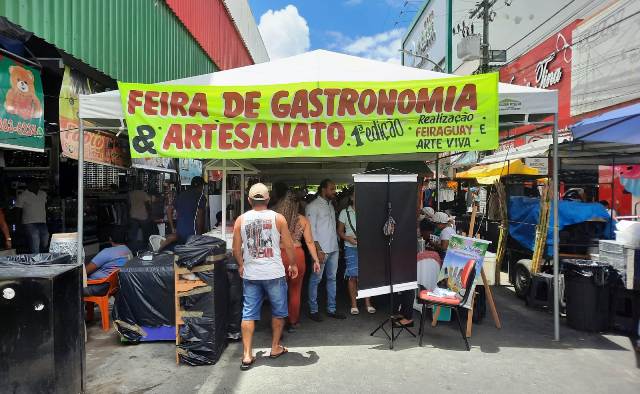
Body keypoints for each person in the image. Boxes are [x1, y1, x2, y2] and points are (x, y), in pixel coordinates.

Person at [232, 183, 298, 371]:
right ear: (269, 200)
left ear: (249, 200)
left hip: (251, 274)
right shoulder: (278, 218)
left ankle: (246, 355)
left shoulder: (241, 220)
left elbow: (237, 249)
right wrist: (293, 264)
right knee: (278, 311)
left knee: (248, 313)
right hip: (274, 273)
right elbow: (289, 245)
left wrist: (241, 265)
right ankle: (275, 347)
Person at [274, 191, 321, 332]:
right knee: (295, 290)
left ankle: (279, 321)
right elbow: (310, 241)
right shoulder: (303, 220)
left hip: (280, 255)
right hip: (298, 255)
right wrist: (316, 259)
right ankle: (293, 321)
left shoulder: (276, 219)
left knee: (278, 290)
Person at [306, 179, 346, 321]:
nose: (334, 191)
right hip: (321, 249)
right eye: (332, 189)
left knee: (332, 279)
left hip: (333, 248)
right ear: (323, 189)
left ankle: (331, 309)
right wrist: (318, 250)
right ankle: (313, 310)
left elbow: (331, 228)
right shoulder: (312, 206)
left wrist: (338, 245)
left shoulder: (330, 205)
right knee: (316, 279)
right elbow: (311, 231)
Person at [337, 189, 375, 315]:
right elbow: (340, 231)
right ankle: (354, 304)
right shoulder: (344, 212)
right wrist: (348, 238)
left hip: (366, 247)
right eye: (356, 196)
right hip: (350, 246)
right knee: (352, 275)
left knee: (366, 275)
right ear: (351, 198)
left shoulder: (367, 211)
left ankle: (368, 303)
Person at [160, 176, 206, 250]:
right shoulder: (201, 196)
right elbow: (199, 216)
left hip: (179, 231)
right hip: (193, 231)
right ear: (201, 186)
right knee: (192, 254)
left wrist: (172, 228)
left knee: (181, 252)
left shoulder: (181, 195)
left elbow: (169, 210)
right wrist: (199, 235)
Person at [84, 227, 132, 296]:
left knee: (71, 288)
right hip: (114, 286)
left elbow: (86, 271)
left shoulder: (107, 252)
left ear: (110, 239)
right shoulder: (128, 251)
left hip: (98, 287)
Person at [15, 179, 48, 253]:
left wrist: (47, 218)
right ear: (28, 185)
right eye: (34, 184)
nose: (36, 185)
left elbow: (45, 206)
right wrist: (18, 224)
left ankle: (40, 254)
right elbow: (18, 210)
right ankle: (35, 259)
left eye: (37, 184)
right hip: (29, 222)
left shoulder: (43, 194)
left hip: (42, 221)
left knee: (45, 239)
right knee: (35, 238)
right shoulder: (23, 195)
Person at [128, 184, 153, 251]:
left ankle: (133, 248)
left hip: (133, 215)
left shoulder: (131, 193)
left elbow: (129, 204)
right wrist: (149, 212)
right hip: (142, 215)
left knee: (133, 234)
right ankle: (145, 248)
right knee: (146, 232)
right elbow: (148, 203)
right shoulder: (143, 193)